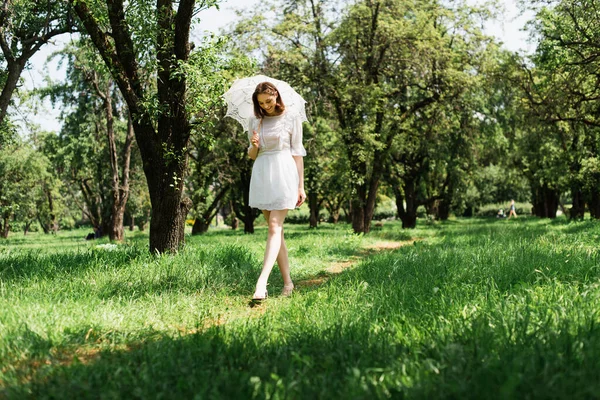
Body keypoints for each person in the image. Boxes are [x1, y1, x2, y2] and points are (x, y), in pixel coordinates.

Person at [247, 82, 307, 302]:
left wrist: (301, 186)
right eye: (261, 103)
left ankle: (261, 283)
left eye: (269, 101)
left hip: (284, 172)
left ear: (277, 96)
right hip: (262, 172)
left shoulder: (291, 118)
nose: (266, 106)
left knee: (274, 226)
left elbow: (298, 152)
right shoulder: (255, 120)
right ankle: (288, 283)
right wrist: (254, 144)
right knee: (276, 232)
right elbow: (252, 155)